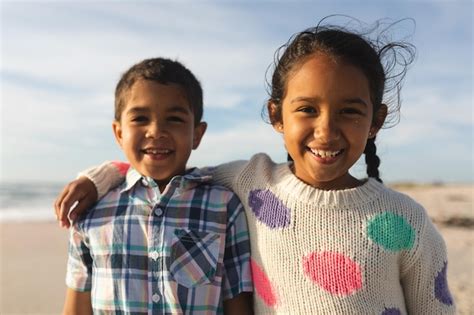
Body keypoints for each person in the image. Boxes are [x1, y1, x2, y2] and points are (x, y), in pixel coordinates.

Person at [56, 20, 456, 314]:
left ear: (376, 121)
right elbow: (165, 170)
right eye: (307, 109)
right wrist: (100, 177)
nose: (326, 130)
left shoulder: (407, 220)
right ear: (276, 115)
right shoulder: (253, 183)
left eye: (350, 111)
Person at [62, 57, 253, 315]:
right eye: (140, 118)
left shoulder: (224, 207)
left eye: (174, 119)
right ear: (119, 133)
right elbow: (76, 308)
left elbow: (238, 304)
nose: (156, 131)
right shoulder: (91, 213)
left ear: (197, 134)